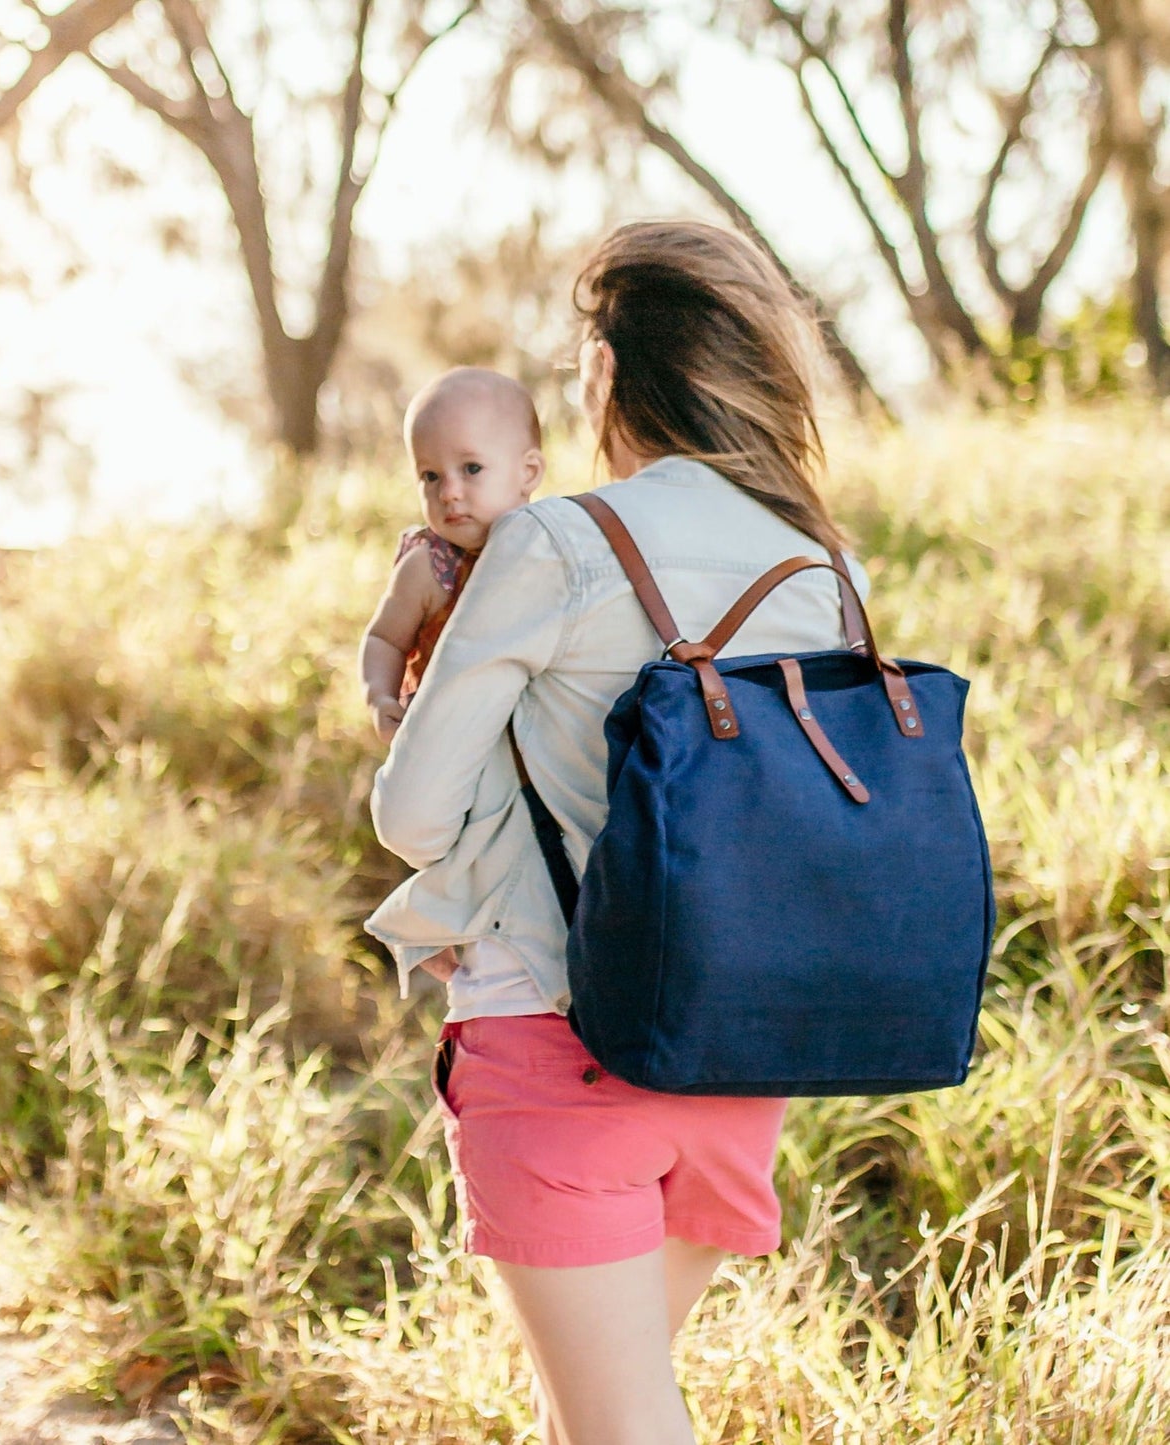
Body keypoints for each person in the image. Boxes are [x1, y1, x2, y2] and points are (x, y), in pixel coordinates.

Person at [369, 219, 870, 1445]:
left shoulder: (552, 540)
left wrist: (394, 683)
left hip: (559, 1041)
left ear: (601, 376)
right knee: (588, 1416)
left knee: (618, 1429)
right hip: (741, 1057)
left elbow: (412, 812)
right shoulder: (819, 565)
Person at [359, 366, 544, 987]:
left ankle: (482, 928)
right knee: (448, 837)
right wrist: (379, 693)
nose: (450, 494)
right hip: (446, 733)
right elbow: (384, 636)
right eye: (430, 477)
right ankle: (440, 929)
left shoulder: (551, 549)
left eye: (471, 470)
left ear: (528, 474)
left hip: (525, 734)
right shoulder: (429, 566)